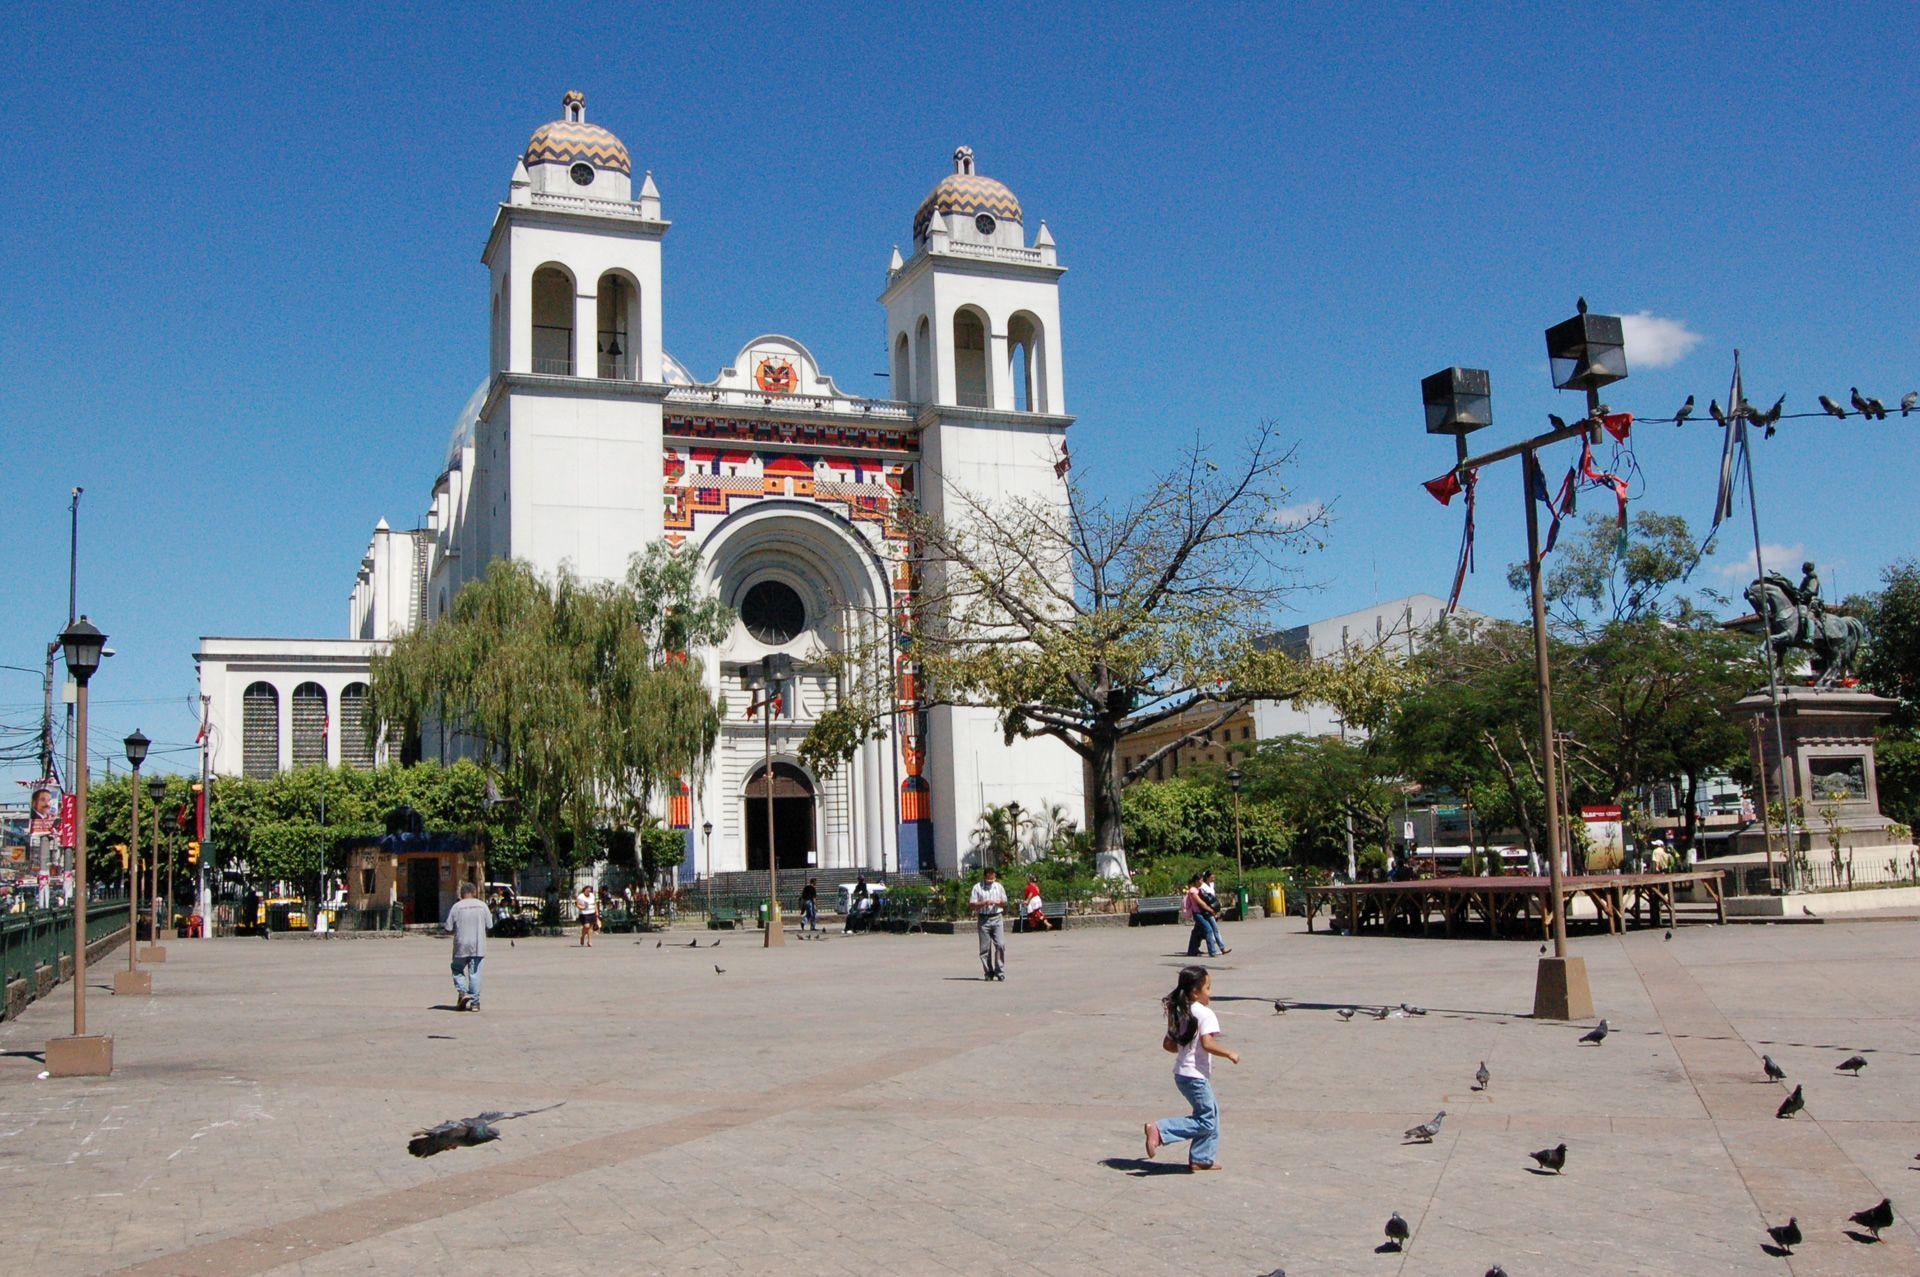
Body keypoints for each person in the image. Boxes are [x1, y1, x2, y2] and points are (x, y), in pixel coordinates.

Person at [1143, 965, 1238, 1171]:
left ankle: (1202, 1158)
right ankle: (1160, 1130)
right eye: (1208, 988)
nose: (1210, 993)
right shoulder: (1205, 1014)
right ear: (1195, 992)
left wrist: (1185, 1049)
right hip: (1195, 1076)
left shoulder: (1179, 1011)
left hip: (1182, 1074)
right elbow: (1208, 1043)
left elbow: (1168, 1044)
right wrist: (1229, 1053)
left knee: (1211, 1113)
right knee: (1206, 1120)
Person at [444, 881, 492, 1012]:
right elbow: (490, 925)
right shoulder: (482, 906)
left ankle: (463, 992)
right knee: (475, 973)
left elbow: (447, 927)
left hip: (461, 945)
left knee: (456, 968)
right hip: (478, 945)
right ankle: (475, 1003)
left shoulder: (456, 906)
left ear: (461, 894)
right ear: (475, 893)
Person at [970, 866, 1008, 981]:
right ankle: (988, 972)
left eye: (993, 879)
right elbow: (972, 905)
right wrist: (984, 903)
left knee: (1000, 944)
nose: (991, 882)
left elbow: (1004, 902)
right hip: (983, 918)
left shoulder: (999, 887)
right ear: (985, 877)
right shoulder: (977, 887)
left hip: (997, 917)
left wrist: (998, 903)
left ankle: (999, 971)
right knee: (985, 948)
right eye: (988, 880)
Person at [1182, 875, 1220, 959]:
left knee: (1196, 933)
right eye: (1201, 880)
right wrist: (1211, 910)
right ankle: (1212, 952)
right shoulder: (1193, 891)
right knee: (1208, 930)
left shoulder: (1199, 889)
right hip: (1198, 914)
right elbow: (1201, 903)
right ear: (1196, 881)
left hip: (1202, 913)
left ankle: (1192, 950)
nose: (1202, 882)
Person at [1198, 870, 1230, 955]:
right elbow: (1205, 899)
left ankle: (1197, 946)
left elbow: (1214, 896)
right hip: (1208, 911)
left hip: (1213, 909)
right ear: (1208, 877)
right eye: (1212, 877)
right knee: (1214, 929)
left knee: (1204, 931)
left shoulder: (1212, 885)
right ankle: (1221, 948)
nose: (1214, 878)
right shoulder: (1203, 887)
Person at [575, 883, 598, 947]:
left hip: (592, 913)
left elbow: (595, 903)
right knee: (586, 926)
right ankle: (582, 937)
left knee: (590, 928)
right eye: (587, 890)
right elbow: (577, 904)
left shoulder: (592, 895)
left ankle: (589, 941)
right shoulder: (580, 896)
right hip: (584, 914)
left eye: (589, 891)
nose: (588, 892)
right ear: (584, 890)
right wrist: (582, 907)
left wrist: (597, 912)